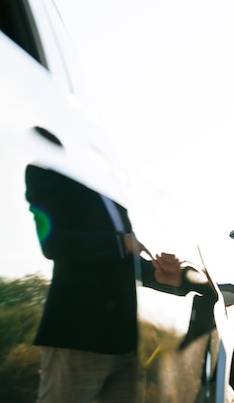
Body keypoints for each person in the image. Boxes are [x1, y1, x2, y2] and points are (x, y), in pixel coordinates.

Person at [25, 127, 185, 403]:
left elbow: (125, 263)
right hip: (76, 338)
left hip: (123, 345)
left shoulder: (113, 195)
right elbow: (53, 244)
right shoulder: (49, 172)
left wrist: (168, 276)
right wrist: (120, 243)